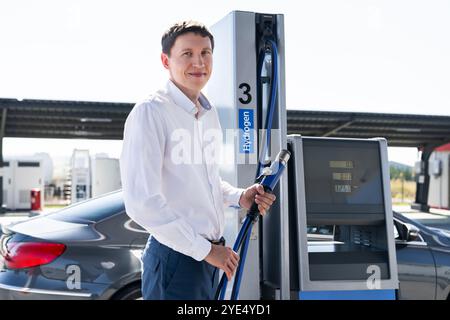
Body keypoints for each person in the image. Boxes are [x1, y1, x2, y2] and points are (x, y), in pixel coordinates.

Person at [120, 20, 276, 300]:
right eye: (187, 54)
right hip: (177, 258)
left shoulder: (207, 113)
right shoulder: (151, 112)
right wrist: (205, 251)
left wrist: (240, 196)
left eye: (205, 53)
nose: (198, 62)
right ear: (166, 60)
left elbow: (205, 181)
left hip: (207, 256)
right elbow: (142, 202)